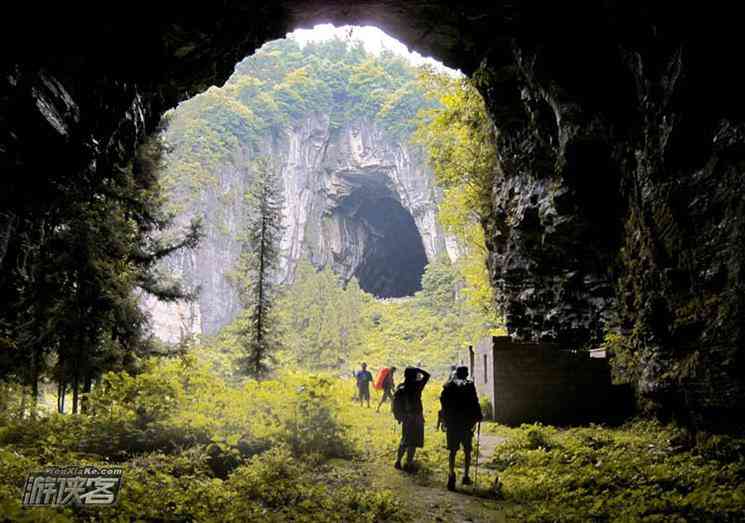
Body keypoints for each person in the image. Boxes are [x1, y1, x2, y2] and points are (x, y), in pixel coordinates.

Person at [440, 365, 483, 491]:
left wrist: (444, 420)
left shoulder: (448, 386)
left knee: (452, 450)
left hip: (453, 423)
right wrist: (478, 416)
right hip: (466, 423)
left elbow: (443, 404)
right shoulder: (469, 386)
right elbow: (475, 402)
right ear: (466, 374)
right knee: (467, 450)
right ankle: (465, 475)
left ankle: (451, 473)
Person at [392, 366, 430, 471]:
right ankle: (408, 463)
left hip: (406, 418)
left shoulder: (401, 387)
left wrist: (400, 417)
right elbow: (427, 375)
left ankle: (398, 461)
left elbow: (396, 405)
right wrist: (418, 369)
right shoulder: (417, 386)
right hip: (416, 417)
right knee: (413, 442)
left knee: (405, 440)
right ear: (414, 375)